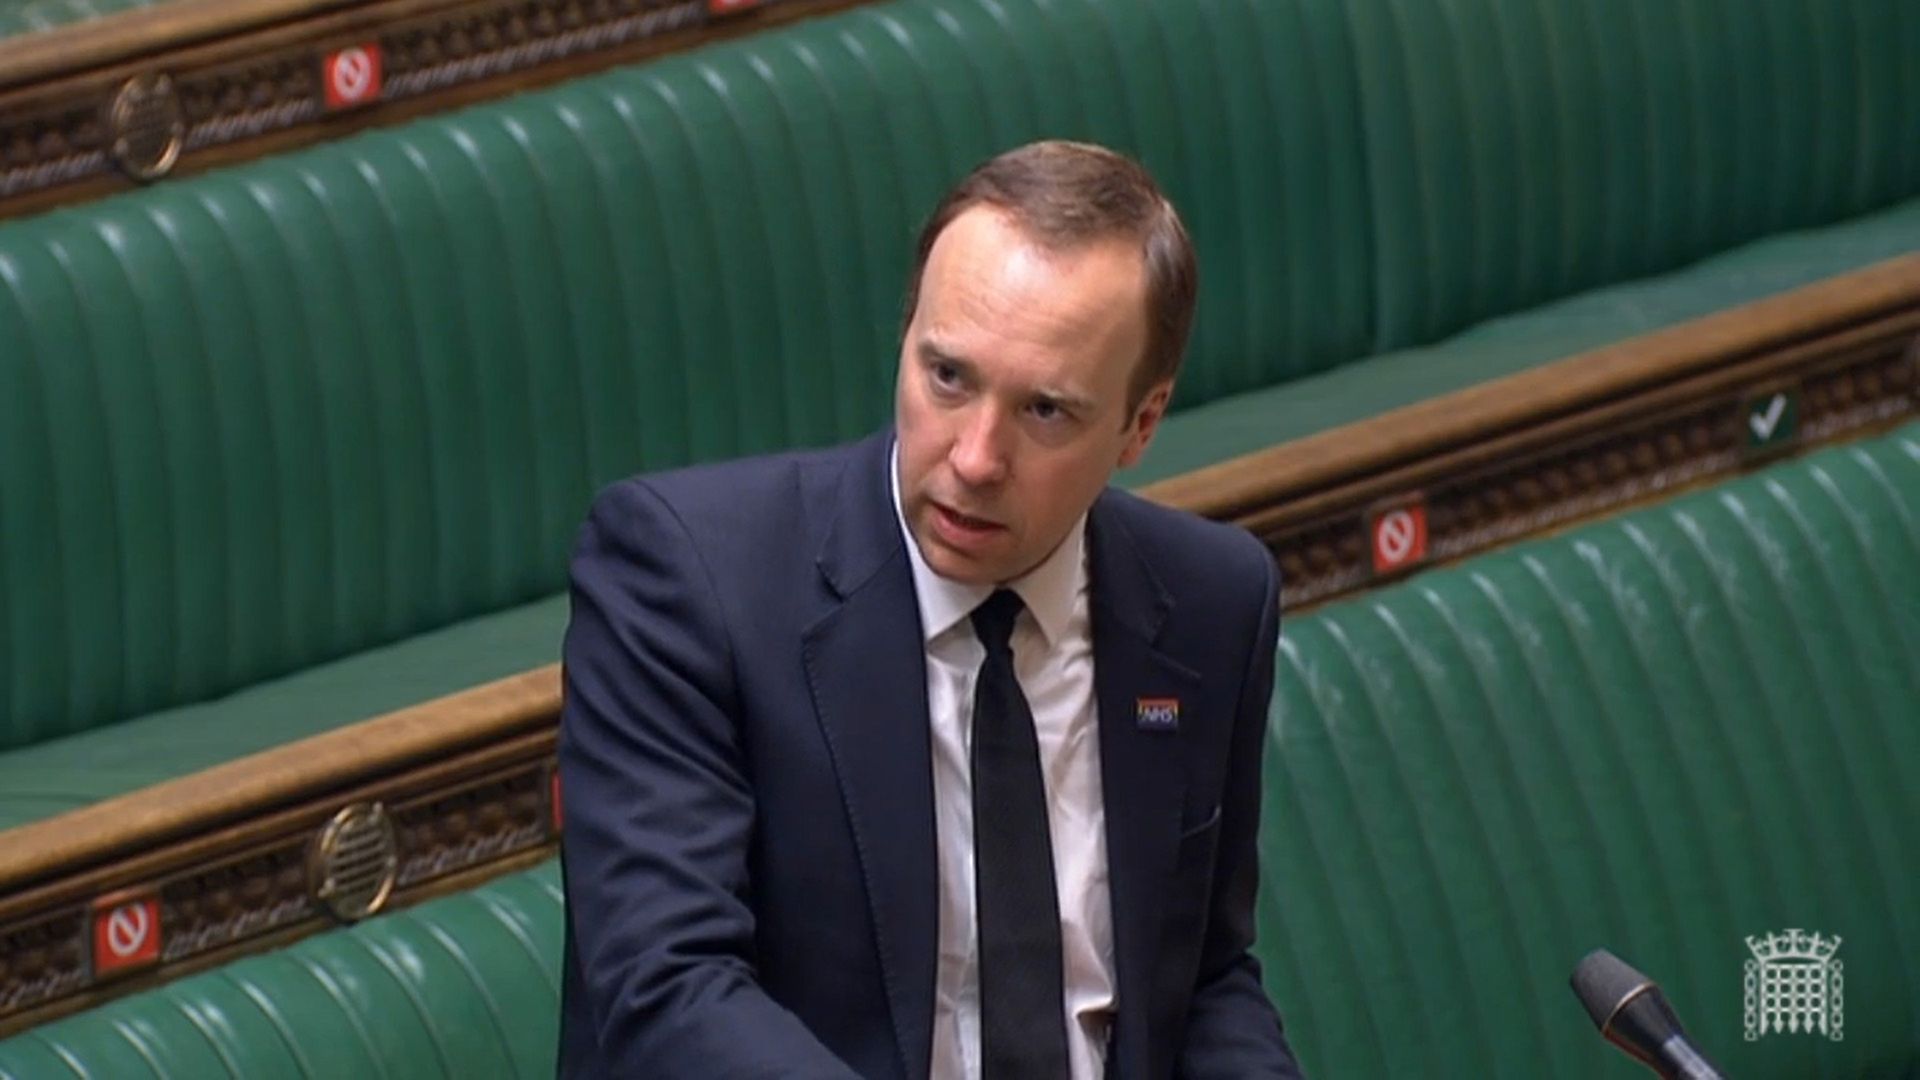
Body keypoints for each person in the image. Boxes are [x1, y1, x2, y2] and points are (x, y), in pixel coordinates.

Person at [557, 140, 1303, 1079]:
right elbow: (669, 995)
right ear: (906, 337)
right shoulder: (687, 578)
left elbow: (1200, 979)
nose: (976, 459)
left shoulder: (1211, 599)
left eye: (1046, 412)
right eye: (948, 377)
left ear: (1140, 425)